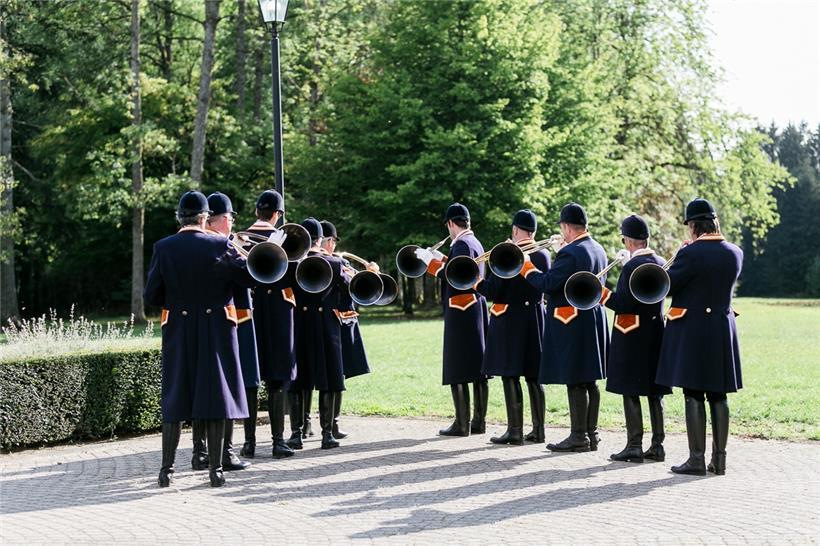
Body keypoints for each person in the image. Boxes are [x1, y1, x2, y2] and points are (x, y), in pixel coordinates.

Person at [144, 190, 250, 488]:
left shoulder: (163, 247)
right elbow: (248, 278)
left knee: (176, 395)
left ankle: (166, 471)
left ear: (180, 217)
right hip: (216, 328)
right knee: (215, 396)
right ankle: (215, 471)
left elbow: (152, 295)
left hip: (179, 328)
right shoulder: (221, 244)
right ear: (205, 218)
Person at [655, 198, 743, 476]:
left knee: (693, 392)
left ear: (693, 226)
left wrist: (681, 255)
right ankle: (720, 460)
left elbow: (666, 285)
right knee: (719, 394)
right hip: (721, 328)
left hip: (693, 330)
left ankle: (696, 459)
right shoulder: (735, 252)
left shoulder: (691, 254)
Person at [520, 202, 610, 452]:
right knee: (590, 380)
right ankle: (591, 433)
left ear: (567, 227)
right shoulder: (597, 248)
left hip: (572, 321)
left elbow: (548, 283)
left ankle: (578, 436)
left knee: (575, 380)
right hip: (592, 319)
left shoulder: (571, 253)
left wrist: (526, 266)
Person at [415, 203, 489, 437]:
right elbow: (459, 266)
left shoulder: (461, 243)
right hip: (476, 306)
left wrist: (431, 263)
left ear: (450, 223)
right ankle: (478, 421)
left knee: (456, 365)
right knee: (478, 367)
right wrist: (444, 258)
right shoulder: (474, 243)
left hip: (460, 307)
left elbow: (456, 276)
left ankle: (462, 423)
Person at [477, 210, 549, 445]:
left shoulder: (506, 254)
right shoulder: (543, 254)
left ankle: (515, 430)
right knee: (534, 376)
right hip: (535, 319)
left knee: (510, 375)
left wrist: (475, 282)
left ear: (516, 230)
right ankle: (538, 430)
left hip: (509, 320)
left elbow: (494, 290)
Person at [605, 214, 671, 463]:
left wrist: (601, 293)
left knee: (629, 389)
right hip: (655, 332)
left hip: (630, 334)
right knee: (655, 392)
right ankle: (657, 445)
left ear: (628, 240)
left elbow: (622, 303)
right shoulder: (660, 261)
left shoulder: (632, 266)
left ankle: (634, 444)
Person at [242, 189, 296, 459]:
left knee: (251, 379)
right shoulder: (287, 239)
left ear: (256, 211)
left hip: (250, 312)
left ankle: (249, 442)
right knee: (277, 377)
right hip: (278, 312)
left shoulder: (239, 238)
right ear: (277, 214)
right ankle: (278, 441)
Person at [289, 218, 350, 449]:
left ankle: (296, 434)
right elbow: (349, 286)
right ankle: (327, 435)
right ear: (320, 239)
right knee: (329, 379)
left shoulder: (292, 264)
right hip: (327, 327)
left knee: (298, 380)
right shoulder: (335, 263)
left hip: (300, 326)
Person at [204, 192, 253, 471]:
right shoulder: (222, 246)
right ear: (221, 219)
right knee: (227, 389)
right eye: (231, 218)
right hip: (223, 324)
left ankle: (200, 452)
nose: (233, 223)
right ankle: (226, 454)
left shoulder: (182, 243)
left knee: (200, 390)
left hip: (192, 327)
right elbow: (247, 278)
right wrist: (238, 251)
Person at [321, 220, 371, 439]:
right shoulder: (335, 262)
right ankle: (332, 424)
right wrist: (369, 272)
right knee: (336, 375)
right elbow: (353, 284)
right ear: (329, 241)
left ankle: (304, 425)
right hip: (334, 323)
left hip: (314, 322)